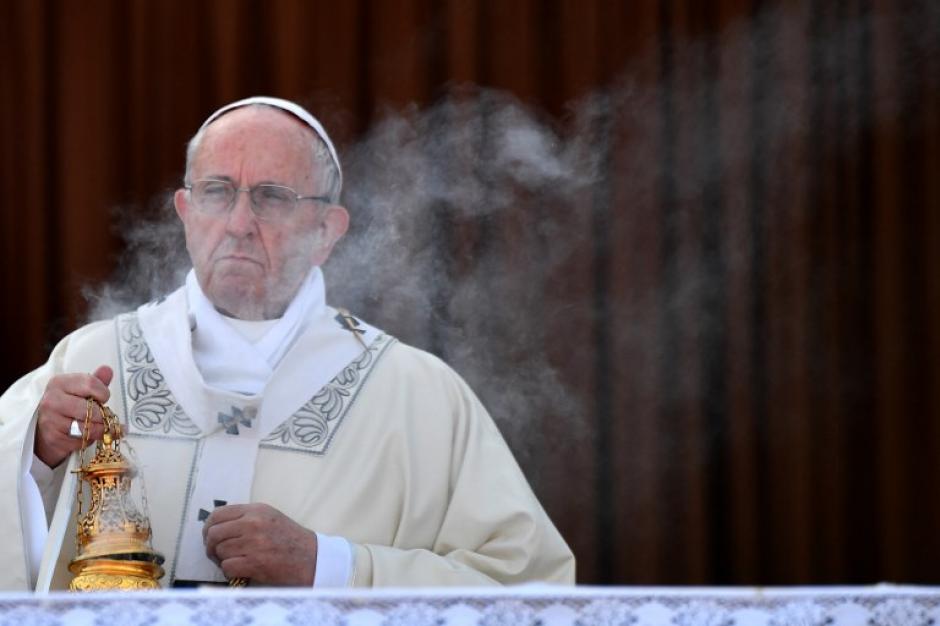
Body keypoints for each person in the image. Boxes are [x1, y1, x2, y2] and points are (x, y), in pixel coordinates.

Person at [0, 96, 575, 590]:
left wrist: (331, 566)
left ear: (327, 231)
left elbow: (528, 588)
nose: (240, 222)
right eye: (218, 192)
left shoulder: (417, 393)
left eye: (272, 196)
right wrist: (34, 458)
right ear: (186, 211)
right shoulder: (87, 364)